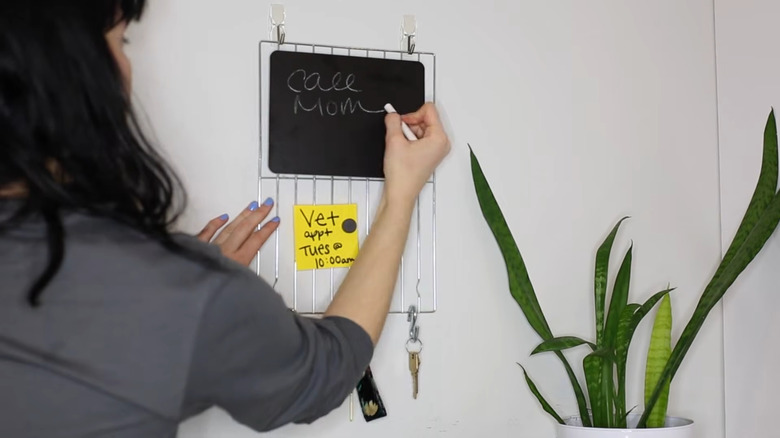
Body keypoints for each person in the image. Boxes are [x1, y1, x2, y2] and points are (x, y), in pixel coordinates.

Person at [0, 1, 450, 437]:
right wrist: (402, 193)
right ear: (73, 70)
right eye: (122, 40)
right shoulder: (174, 293)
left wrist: (183, 291)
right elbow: (327, 370)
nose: (125, 65)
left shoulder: (168, 293)